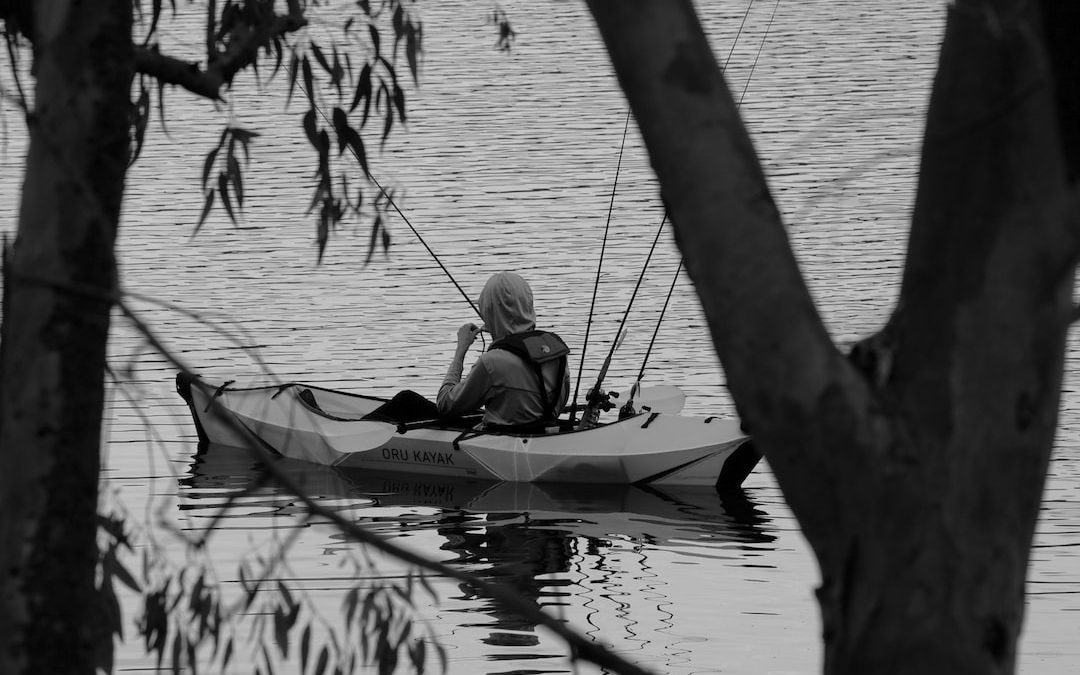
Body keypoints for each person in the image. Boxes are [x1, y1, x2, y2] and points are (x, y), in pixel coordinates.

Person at [437, 271, 570, 431]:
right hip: (544, 432)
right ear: (527, 303)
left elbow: (445, 404)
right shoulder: (554, 350)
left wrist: (461, 350)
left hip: (501, 442)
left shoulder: (492, 362)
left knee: (406, 400)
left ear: (489, 310)